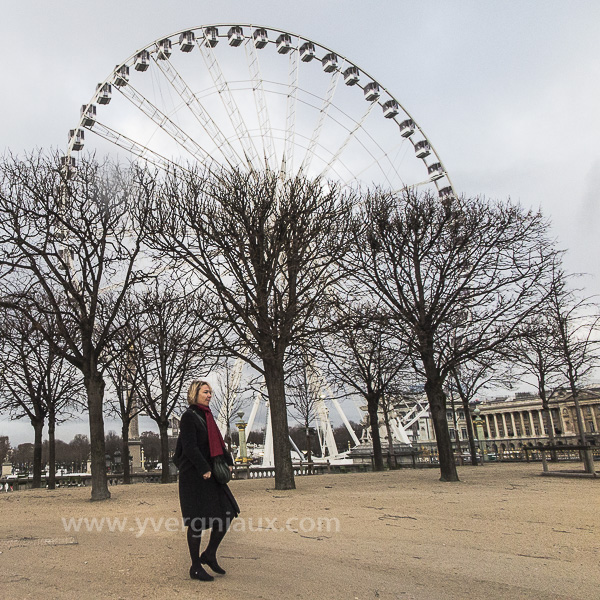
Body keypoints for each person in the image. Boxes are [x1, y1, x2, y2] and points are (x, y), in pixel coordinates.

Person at [175, 379, 239, 582]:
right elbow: (189, 447)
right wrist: (203, 468)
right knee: (197, 521)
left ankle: (209, 554)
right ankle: (195, 566)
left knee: (227, 512)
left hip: (211, 475)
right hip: (194, 476)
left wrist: (228, 461)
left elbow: (218, 442)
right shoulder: (188, 417)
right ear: (194, 394)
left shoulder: (208, 415)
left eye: (210, 392)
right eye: (205, 392)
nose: (209, 395)